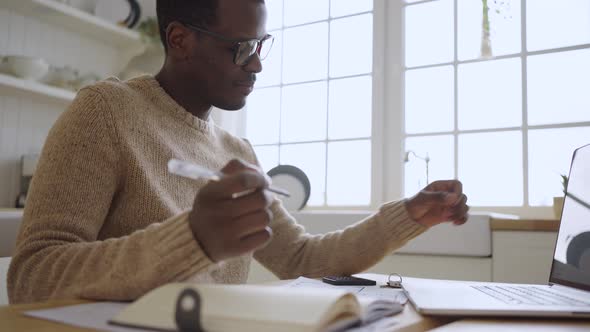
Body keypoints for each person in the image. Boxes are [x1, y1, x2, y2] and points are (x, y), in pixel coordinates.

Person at [7, 0, 469, 304]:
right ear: (180, 40)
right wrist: (192, 240)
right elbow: (32, 276)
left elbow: (302, 259)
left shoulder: (236, 151)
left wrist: (409, 215)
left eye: (261, 44)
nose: (257, 64)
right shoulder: (106, 111)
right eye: (241, 48)